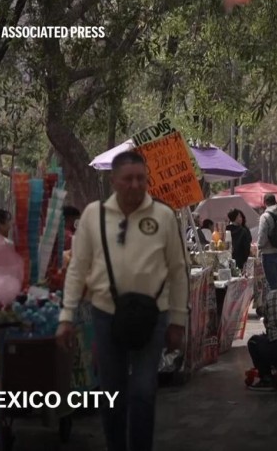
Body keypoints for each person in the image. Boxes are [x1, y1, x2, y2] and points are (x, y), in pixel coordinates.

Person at [56, 151, 188, 451]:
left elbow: (178, 272)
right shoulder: (94, 215)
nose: (135, 185)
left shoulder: (163, 216)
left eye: (141, 178)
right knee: (111, 392)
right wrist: (66, 316)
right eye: (128, 179)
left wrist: (178, 321)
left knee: (143, 391)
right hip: (106, 314)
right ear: (113, 181)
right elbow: (77, 268)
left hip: (153, 316)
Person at [258, 193, 277, 291]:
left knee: (270, 284)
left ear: (264, 202)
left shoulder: (265, 216)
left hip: (268, 253)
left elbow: (262, 234)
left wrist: (259, 246)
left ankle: (273, 305)